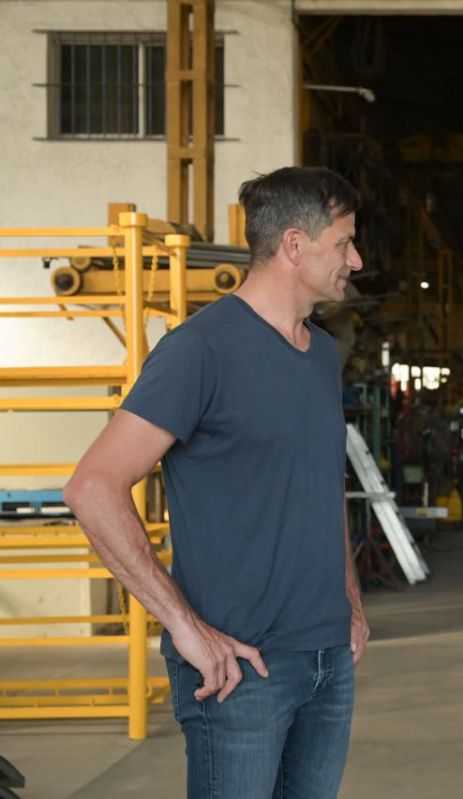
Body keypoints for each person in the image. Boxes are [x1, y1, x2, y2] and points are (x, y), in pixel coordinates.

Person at [65, 166, 371, 799]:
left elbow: (321, 486)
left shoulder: (321, 355)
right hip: (239, 668)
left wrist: (349, 599)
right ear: (294, 245)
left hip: (327, 659)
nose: (356, 260)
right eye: (343, 243)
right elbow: (93, 487)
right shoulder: (200, 350)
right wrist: (184, 627)